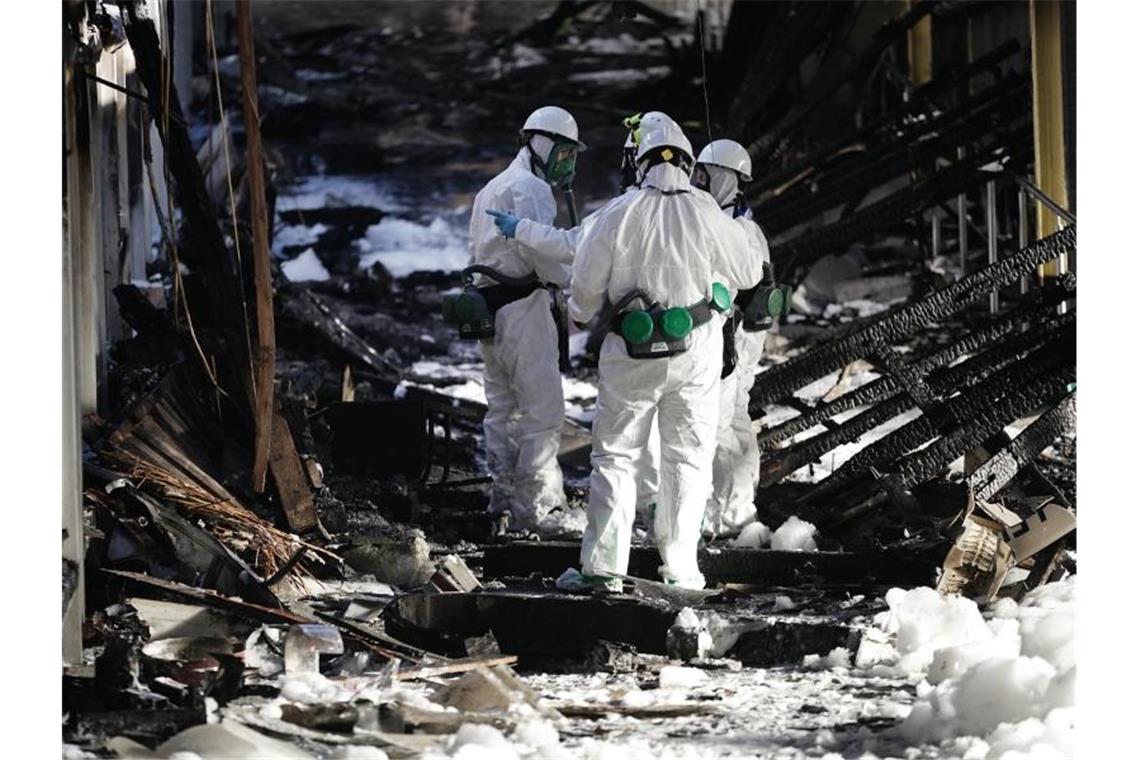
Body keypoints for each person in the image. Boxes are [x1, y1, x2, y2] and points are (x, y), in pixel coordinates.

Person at [568, 117, 764, 590]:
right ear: (689, 162)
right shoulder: (708, 211)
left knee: (615, 457)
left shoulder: (618, 212)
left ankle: (603, 570)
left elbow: (584, 295)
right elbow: (749, 272)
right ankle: (681, 570)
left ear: (640, 162)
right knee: (688, 459)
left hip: (631, 352)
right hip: (695, 352)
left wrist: (579, 310)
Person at [466, 105, 586, 533]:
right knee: (542, 410)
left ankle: (501, 500)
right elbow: (548, 256)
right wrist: (576, 286)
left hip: (488, 310)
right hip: (523, 308)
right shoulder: (532, 189)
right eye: (564, 152)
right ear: (540, 143)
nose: (566, 163)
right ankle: (534, 509)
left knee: (501, 408)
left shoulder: (492, 186)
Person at [690, 139, 772, 537]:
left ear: (725, 177)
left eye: (705, 173)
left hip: (734, 335)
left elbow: (744, 283)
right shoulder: (741, 221)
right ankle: (740, 510)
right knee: (736, 417)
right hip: (741, 334)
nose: (698, 180)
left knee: (720, 422)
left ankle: (724, 515)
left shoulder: (738, 227)